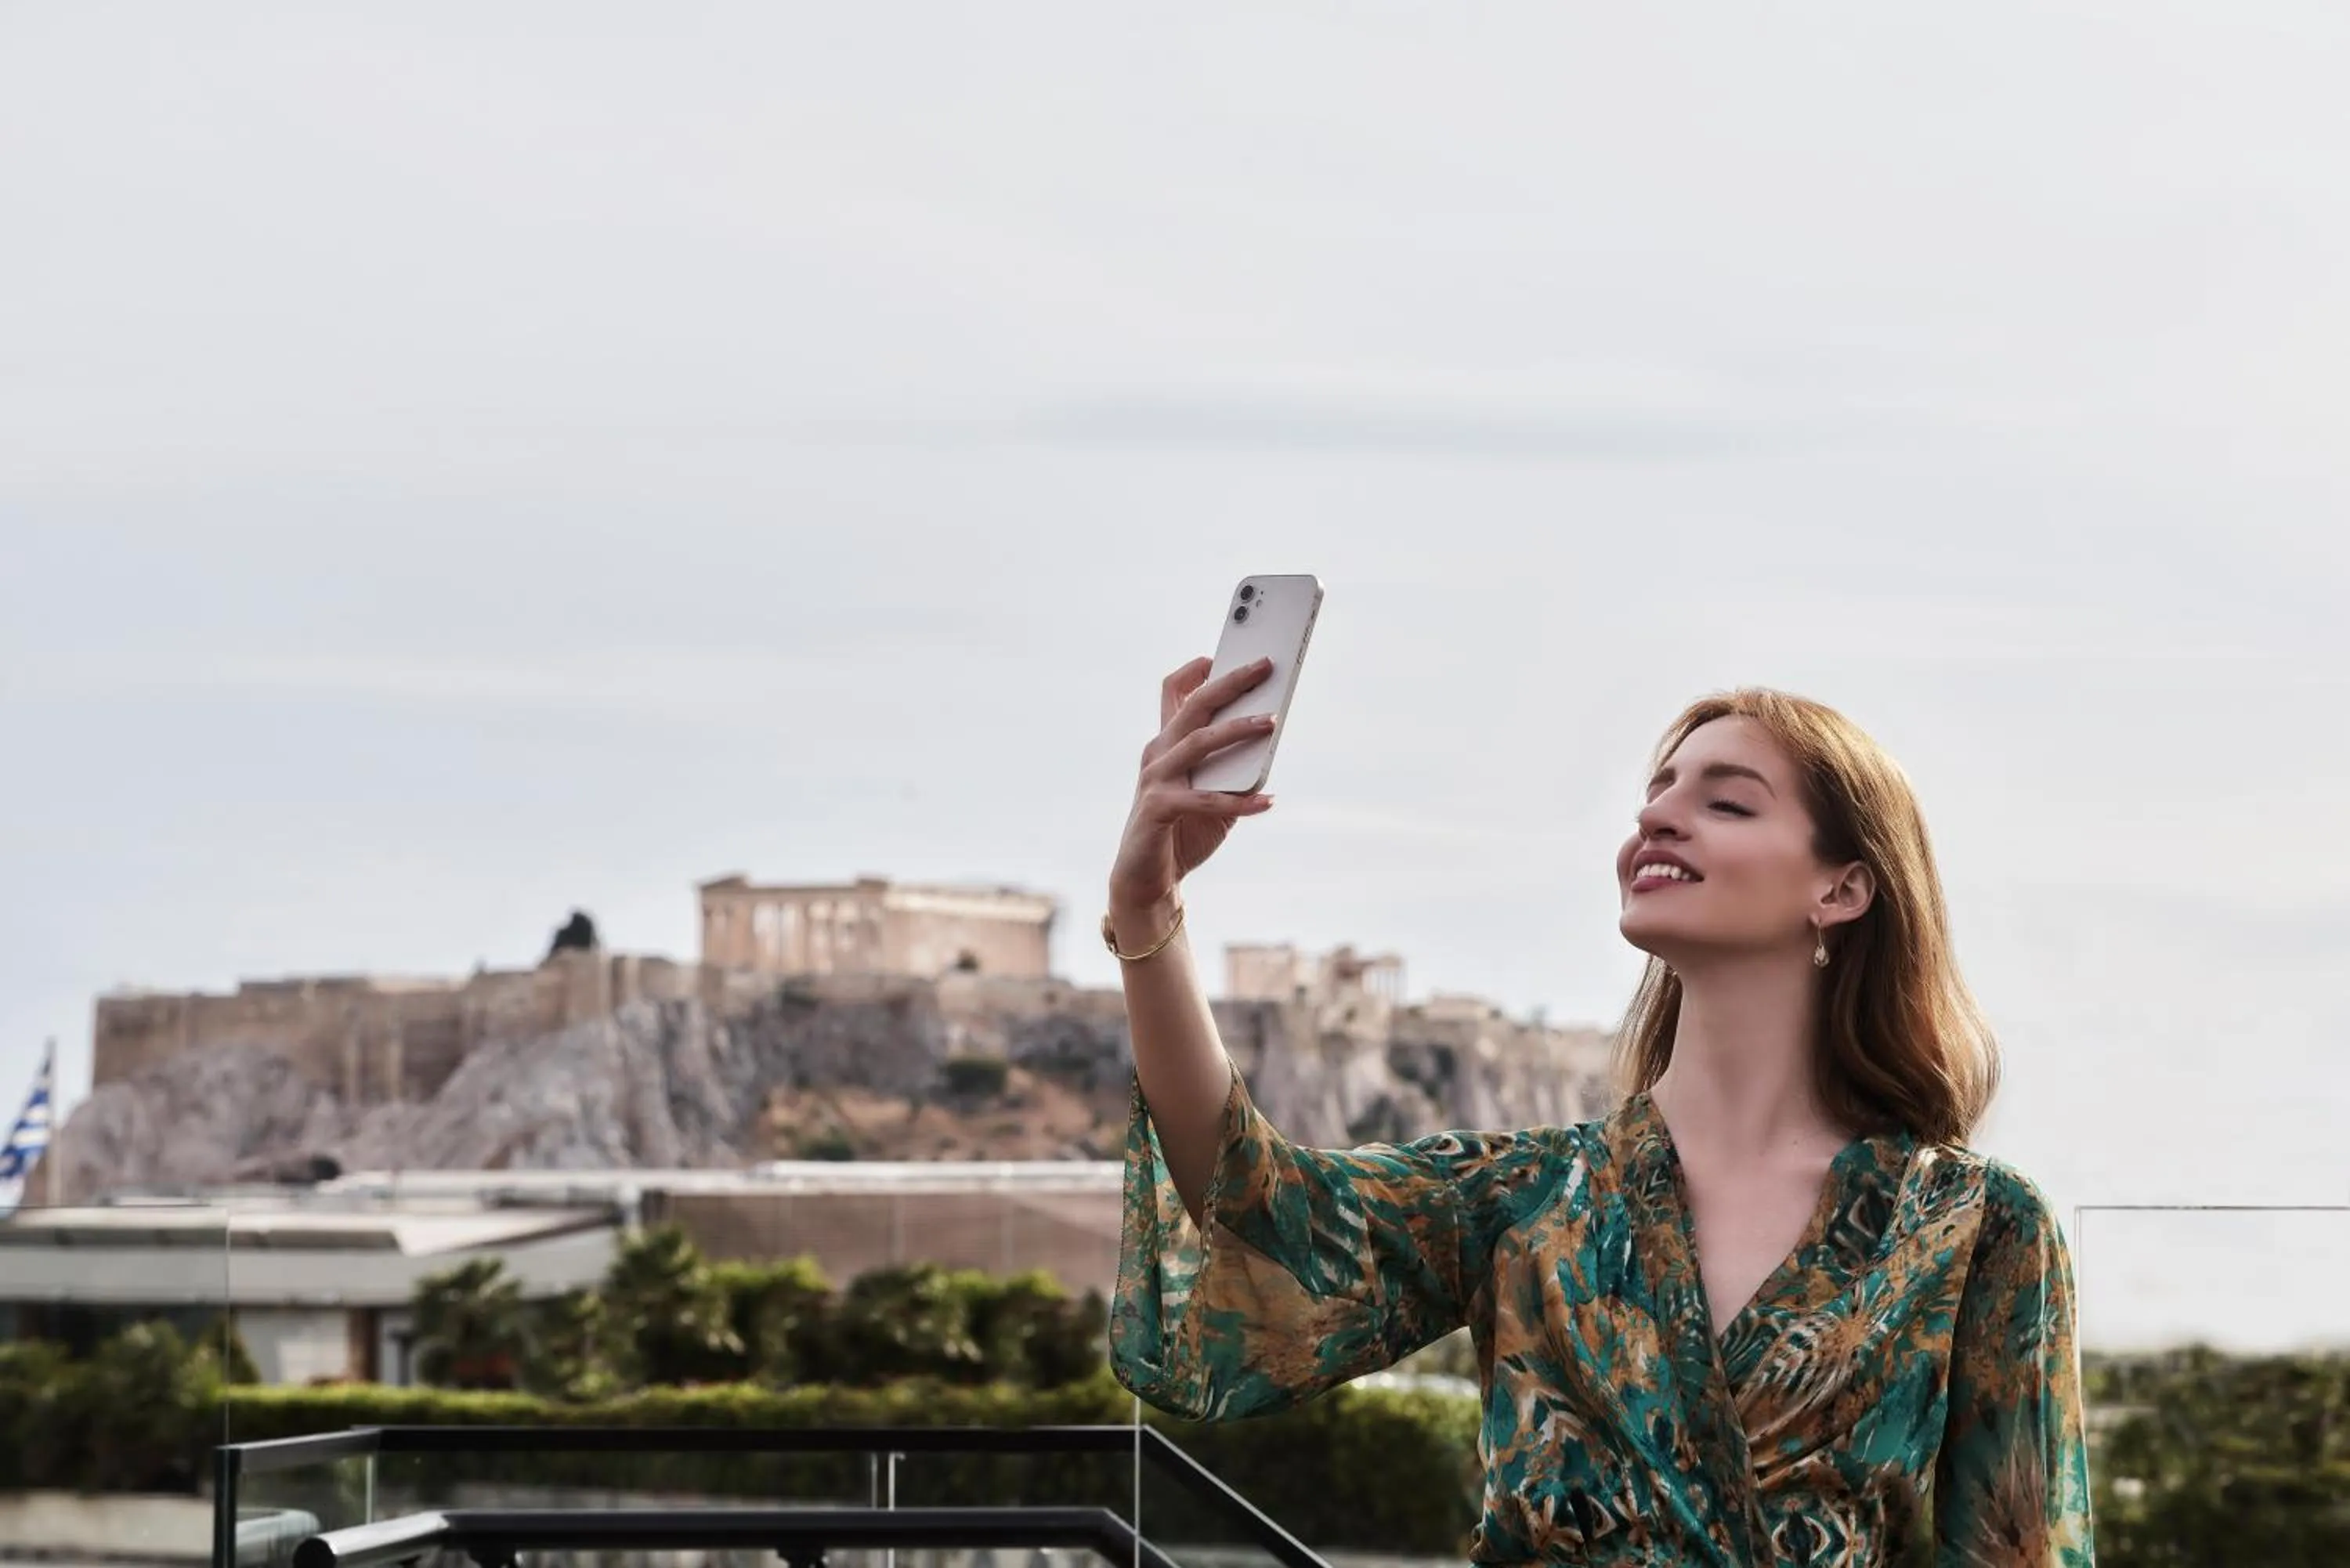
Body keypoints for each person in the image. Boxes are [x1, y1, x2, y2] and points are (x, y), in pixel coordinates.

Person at [1102, 658, 2094, 1567]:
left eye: (1727, 804)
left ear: (1842, 888)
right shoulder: (1530, 1196)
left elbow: (2019, 1549)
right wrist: (1149, 908)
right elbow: (1252, 1210)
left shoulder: (1975, 1226)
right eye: (1654, 798)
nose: (1658, 821)